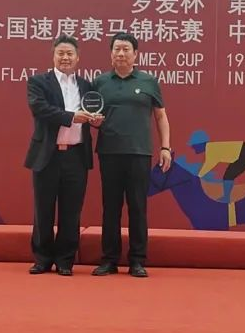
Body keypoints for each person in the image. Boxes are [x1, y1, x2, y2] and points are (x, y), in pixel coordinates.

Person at [89, 32, 171, 277]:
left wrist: (165, 147)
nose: (121, 53)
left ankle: (137, 260)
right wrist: (94, 121)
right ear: (111, 53)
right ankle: (109, 259)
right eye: (117, 49)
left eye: (126, 49)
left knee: (137, 207)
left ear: (136, 54)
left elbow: (161, 116)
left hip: (139, 153)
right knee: (110, 208)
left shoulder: (149, 81)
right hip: (109, 152)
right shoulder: (100, 82)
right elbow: (91, 115)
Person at [23, 36, 97, 276]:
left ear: (78, 58)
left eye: (69, 54)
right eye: (61, 53)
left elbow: (93, 112)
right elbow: (40, 109)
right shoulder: (38, 82)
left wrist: (95, 120)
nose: (65, 58)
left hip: (76, 156)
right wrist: (72, 117)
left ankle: (65, 260)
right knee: (43, 209)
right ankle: (42, 259)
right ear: (53, 56)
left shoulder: (86, 86)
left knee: (71, 211)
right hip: (47, 155)